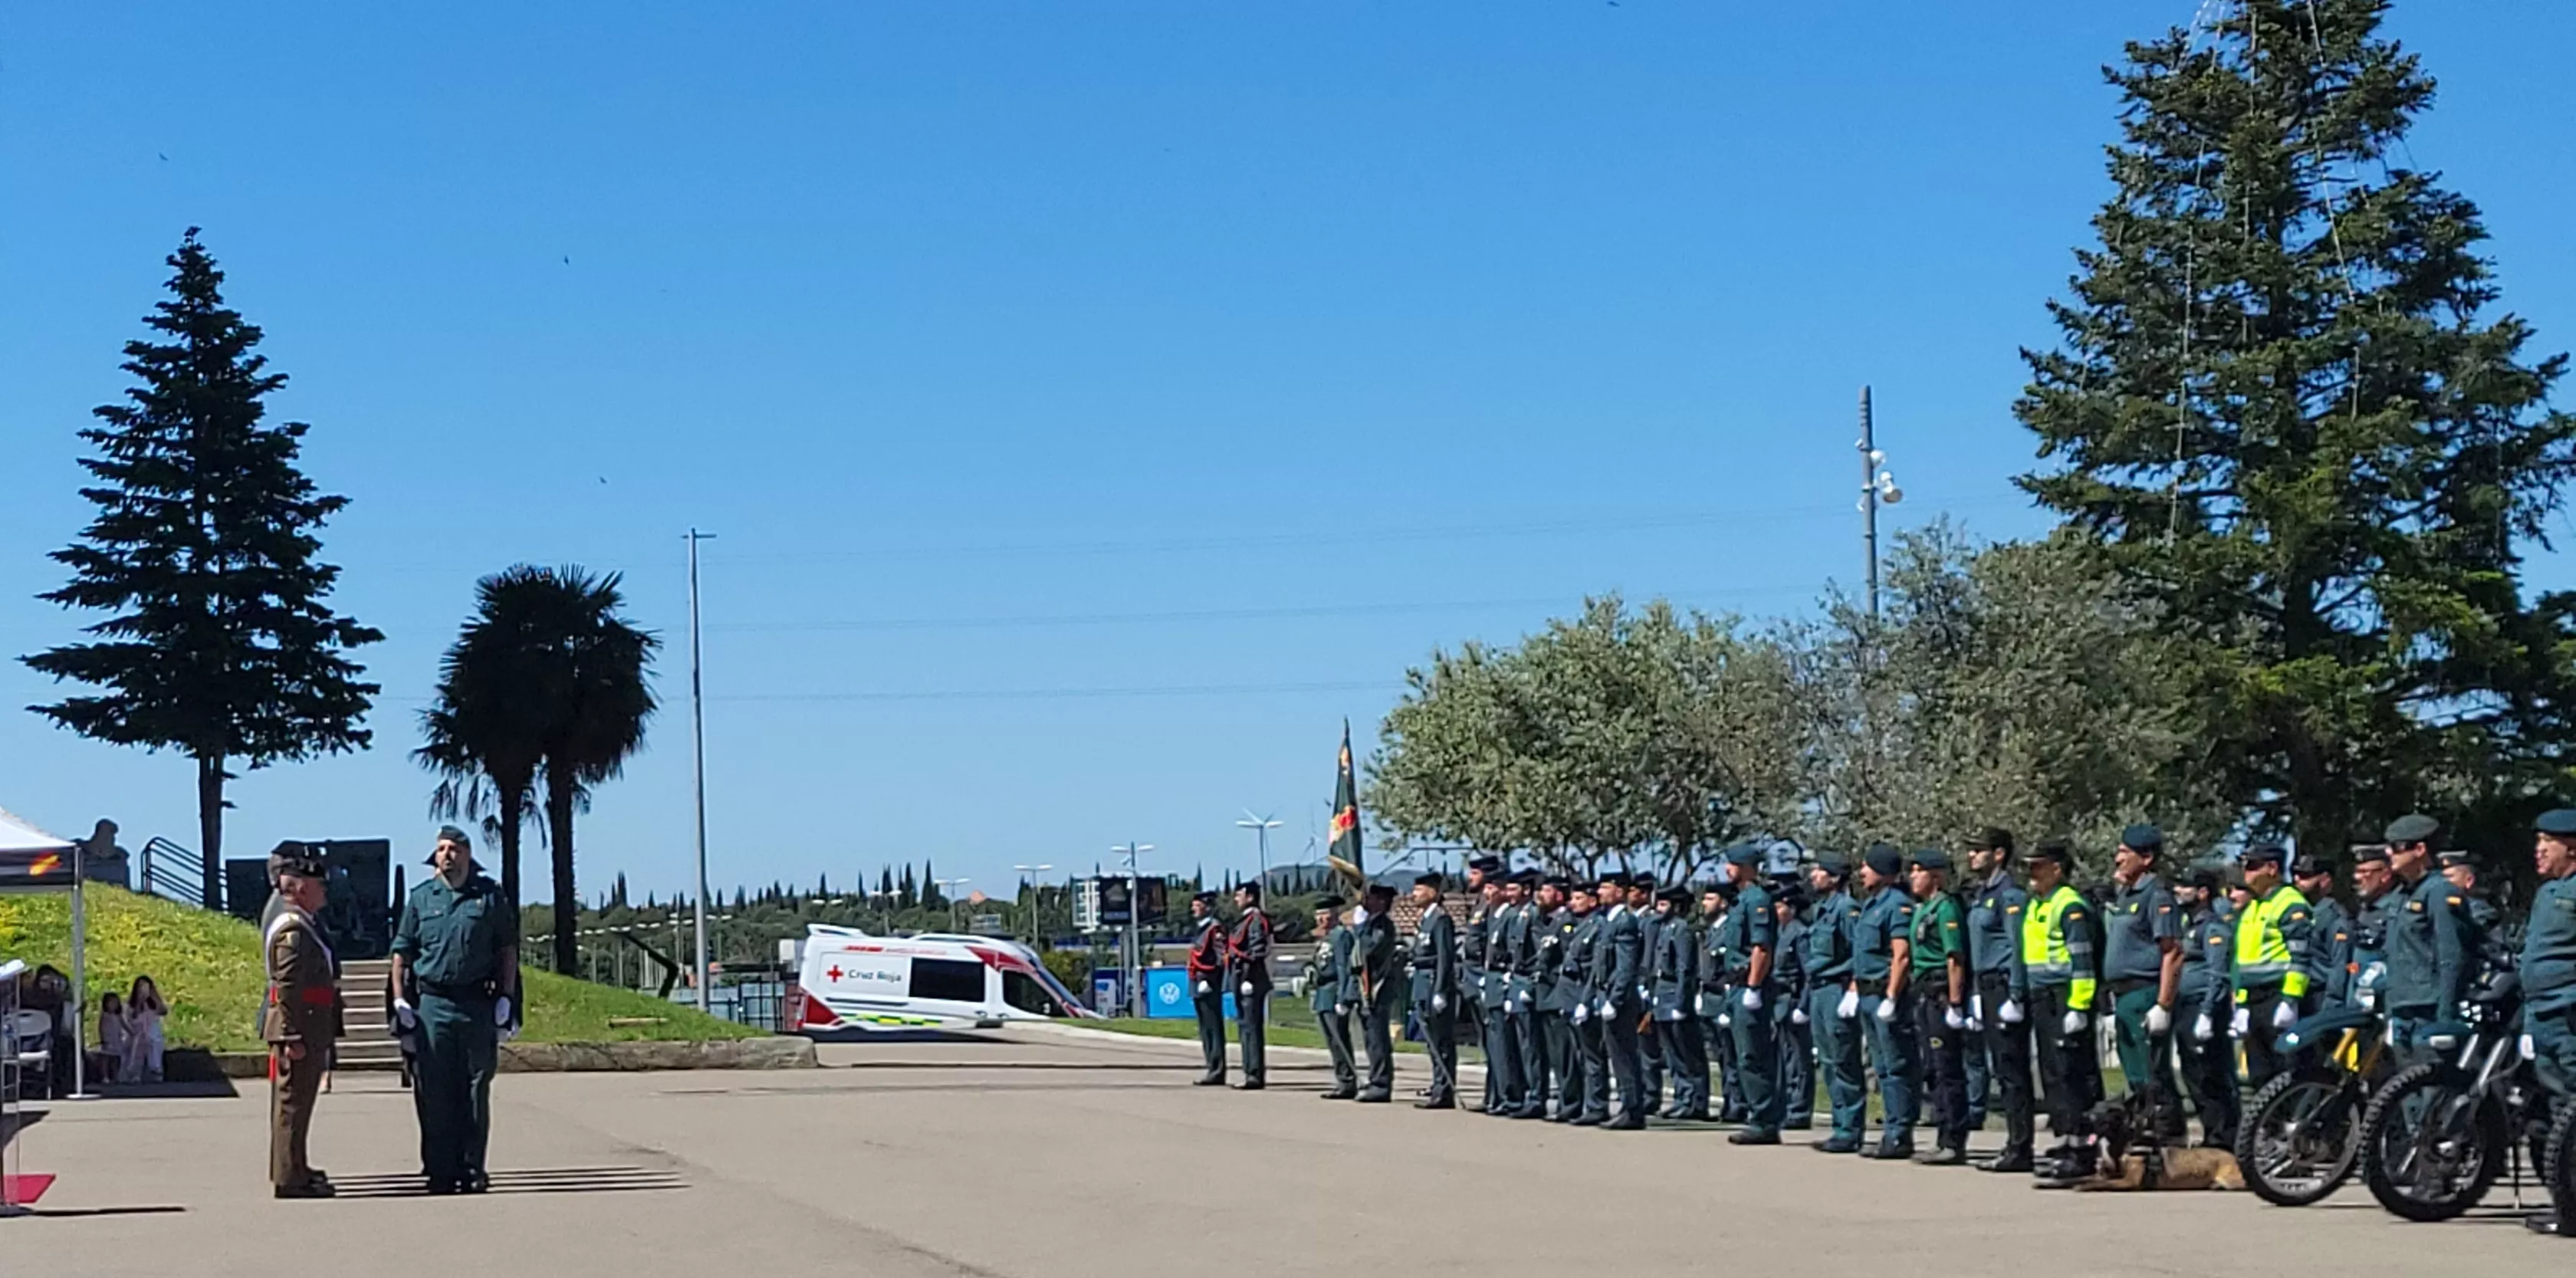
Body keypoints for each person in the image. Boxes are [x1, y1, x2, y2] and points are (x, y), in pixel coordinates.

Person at [389, 826, 519, 1195]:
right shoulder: (420, 899)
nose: (447, 855)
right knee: (434, 1089)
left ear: (467, 854)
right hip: (433, 1005)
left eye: (454, 849)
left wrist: (506, 999)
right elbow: (402, 952)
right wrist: (400, 1000)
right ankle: (439, 1168)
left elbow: (507, 950)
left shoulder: (489, 898)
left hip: (477, 1004)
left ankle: (473, 1166)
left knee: (476, 1088)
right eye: (442, 849)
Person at [2021, 839, 2101, 1181]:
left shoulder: (2069, 906)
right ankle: (2065, 1141)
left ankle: (2083, 1147)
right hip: (2043, 995)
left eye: (2038, 867)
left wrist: (2079, 1006)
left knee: (2072, 1074)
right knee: (2053, 1075)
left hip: (2064, 995)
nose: (2031, 873)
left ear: (2057, 869)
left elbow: (2082, 960)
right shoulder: (2039, 904)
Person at [263, 846, 340, 1198]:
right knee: (292, 1104)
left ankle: (297, 1166)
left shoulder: (305, 924)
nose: (324, 891)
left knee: (300, 1102)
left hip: (309, 1025)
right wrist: (292, 1033)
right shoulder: (292, 930)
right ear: (300, 887)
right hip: (298, 1028)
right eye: (318, 885)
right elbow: (289, 987)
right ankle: (289, 1177)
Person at [2103, 823, 2185, 1141]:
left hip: (2145, 991)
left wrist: (2163, 1004)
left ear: (2147, 857)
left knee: (2152, 1071)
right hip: (2124, 995)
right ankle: (2144, 1129)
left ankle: (2168, 1136)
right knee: (2135, 1072)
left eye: (2126, 853)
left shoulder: (2157, 896)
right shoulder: (2127, 895)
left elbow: (2173, 952)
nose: (2118, 858)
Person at [2518, 810, 2576, 1236]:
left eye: (2548, 843)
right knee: (2557, 1111)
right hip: (2540, 1014)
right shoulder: (2547, 893)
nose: (2539, 850)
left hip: (2570, 1012)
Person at [1963, 828, 2034, 1172]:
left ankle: (2020, 1146)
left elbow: (2018, 946)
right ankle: (2013, 1142)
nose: (1972, 856)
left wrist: (2017, 994)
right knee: (2000, 1069)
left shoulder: (2010, 895)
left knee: (2012, 1069)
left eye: (1979, 850)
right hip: (1988, 987)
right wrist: (1976, 992)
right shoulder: (1982, 895)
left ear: (1999, 854)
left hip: (2006, 986)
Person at [2380, 813, 2474, 1062]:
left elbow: (2451, 954)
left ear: (2420, 849)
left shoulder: (2439, 892)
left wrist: (2446, 1014)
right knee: (2402, 1093)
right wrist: (2390, 1012)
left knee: (2431, 1093)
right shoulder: (2401, 896)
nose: (2390, 853)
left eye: (2397, 847)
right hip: (2402, 1007)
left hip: (2429, 1009)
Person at [1850, 844, 1918, 1160]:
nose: (1862, 872)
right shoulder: (1870, 905)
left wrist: (1892, 995)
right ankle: (1891, 1129)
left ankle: (1899, 1133)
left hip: (1884, 995)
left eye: (1867, 866)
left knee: (1895, 1065)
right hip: (1867, 993)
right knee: (1881, 1067)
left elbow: (1901, 955)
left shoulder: (1897, 905)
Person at [2229, 843, 2312, 1089]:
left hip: (2278, 997)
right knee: (2259, 1076)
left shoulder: (2289, 903)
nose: (2247, 874)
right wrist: (2242, 1003)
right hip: (2254, 1000)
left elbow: (2301, 956)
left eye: (2253, 867)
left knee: (2286, 1074)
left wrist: (2291, 999)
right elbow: (2244, 962)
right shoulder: (2252, 908)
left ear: (2273, 868)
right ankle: (2265, 1127)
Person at [1907, 849, 1971, 1164]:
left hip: (1941, 993)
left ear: (1937, 876)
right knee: (1933, 1068)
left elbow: (1954, 957)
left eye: (1920, 871)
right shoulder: (1922, 909)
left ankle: (1953, 1138)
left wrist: (1956, 1003)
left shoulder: (1946, 909)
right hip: (1923, 993)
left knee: (1948, 1068)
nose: (1913, 877)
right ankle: (1942, 1131)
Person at [1802, 853, 1868, 1153]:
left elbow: (1858, 954)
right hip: (1819, 989)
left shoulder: (1847, 910)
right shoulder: (1821, 910)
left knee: (1844, 1059)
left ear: (1836, 878)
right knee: (1828, 1062)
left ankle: (1850, 1128)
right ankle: (1840, 1125)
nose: (1814, 876)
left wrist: (1853, 991)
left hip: (1837, 990)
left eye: (1821, 871)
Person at [1720, 846, 1783, 1145]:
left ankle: (1764, 1120)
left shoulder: (1757, 900)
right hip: (1737, 985)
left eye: (1732, 864)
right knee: (1743, 1056)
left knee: (1753, 1055)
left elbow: (1762, 948)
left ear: (1747, 867)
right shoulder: (1741, 901)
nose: (1727, 869)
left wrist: (1754, 987)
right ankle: (1757, 1115)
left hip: (1749, 986)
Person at [2175, 861, 2238, 1150]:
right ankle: (2212, 1131)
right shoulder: (2189, 924)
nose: (2179, 891)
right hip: (2186, 1006)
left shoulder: (2213, 927)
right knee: (2194, 1075)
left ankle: (2224, 1137)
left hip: (2204, 1008)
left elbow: (2218, 974)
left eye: (2186, 886)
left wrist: (2207, 1014)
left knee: (2212, 1074)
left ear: (2202, 892)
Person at [1649, 885, 1708, 1121]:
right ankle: (1682, 1097)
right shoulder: (1665, 929)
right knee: (1673, 1054)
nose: (1658, 909)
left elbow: (1685, 968)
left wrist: (1682, 1002)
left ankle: (1696, 1101)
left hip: (1675, 993)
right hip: (1663, 993)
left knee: (1688, 1052)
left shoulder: (1682, 929)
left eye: (1664, 905)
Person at [1598, 870, 1649, 1129]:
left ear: (1619, 892)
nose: (1600, 893)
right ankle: (1628, 1105)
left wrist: (1615, 1000)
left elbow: (1626, 967)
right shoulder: (1609, 921)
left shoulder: (1625, 922)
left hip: (1621, 1001)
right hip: (1607, 995)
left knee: (1624, 1055)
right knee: (1617, 1055)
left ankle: (1633, 1109)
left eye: (1605, 887)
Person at [1409, 872, 1460, 1109]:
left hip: (1433, 983)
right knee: (1431, 1041)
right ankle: (1438, 1085)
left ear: (1432, 892)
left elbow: (1444, 957)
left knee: (1441, 1041)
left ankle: (1444, 1090)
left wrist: (1440, 989)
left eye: (1419, 890)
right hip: (1422, 983)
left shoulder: (1441, 920)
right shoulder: (1426, 919)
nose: (1414, 895)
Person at [1496, 869, 1542, 1118]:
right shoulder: (1515, 915)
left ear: (1526, 890)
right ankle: (1523, 1094)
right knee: (1519, 1044)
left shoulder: (1532, 914)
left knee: (1530, 1046)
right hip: (1514, 982)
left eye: (1514, 890)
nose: (1508, 895)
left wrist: (1529, 985)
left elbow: (1537, 954)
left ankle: (1536, 1096)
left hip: (1526, 984)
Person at [1562, 881, 1608, 1125]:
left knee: (1592, 1056)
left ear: (1592, 901)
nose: (1573, 903)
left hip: (1585, 994)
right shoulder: (1580, 926)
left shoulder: (1598, 926)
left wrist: (1586, 1000)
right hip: (1572, 994)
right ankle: (1582, 1103)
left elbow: (1593, 968)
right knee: (1580, 1054)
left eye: (1579, 898)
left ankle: (1597, 1105)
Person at [1531, 876, 1578, 1119]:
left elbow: (1568, 956)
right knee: (1552, 1052)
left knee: (1563, 1053)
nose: (1541, 895)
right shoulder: (1548, 921)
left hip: (1558, 993)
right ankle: (1562, 1100)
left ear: (1560, 895)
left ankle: (1569, 1102)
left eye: (1547, 891)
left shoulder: (1567, 922)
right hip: (1545, 993)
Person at [1351, 882, 1401, 1104]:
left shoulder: (1383, 926)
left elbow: (1369, 950)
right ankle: (1375, 1079)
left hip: (1378, 988)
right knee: (1370, 1039)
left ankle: (1381, 1084)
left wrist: (1361, 928)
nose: (1365, 902)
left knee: (1378, 1039)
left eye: (1370, 898)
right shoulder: (1373, 923)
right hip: (1368, 987)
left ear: (1381, 901)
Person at [1771, 884, 1813, 1132]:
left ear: (1792, 908)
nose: (1776, 911)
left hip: (1794, 1001)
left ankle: (1799, 1109)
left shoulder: (1800, 934)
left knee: (1797, 1059)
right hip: (1778, 1002)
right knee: (1783, 1058)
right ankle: (1785, 1104)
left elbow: (1808, 974)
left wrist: (1804, 1006)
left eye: (1780, 906)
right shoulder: (1779, 933)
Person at [1461, 857, 1500, 1112]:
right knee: (1487, 1042)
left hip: (1485, 978)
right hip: (1473, 978)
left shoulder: (1493, 906)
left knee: (1496, 1041)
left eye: (1475, 873)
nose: (1470, 878)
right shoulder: (1479, 903)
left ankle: (1498, 1095)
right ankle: (1491, 1094)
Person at [1227, 881, 1274, 1090]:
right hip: (1241, 978)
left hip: (1251, 980)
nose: (1236, 899)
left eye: (1240, 895)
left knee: (1251, 1028)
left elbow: (1257, 951)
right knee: (1245, 1027)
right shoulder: (1246, 920)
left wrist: (1248, 979)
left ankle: (1254, 1074)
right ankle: (1249, 1071)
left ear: (1250, 897)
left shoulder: (1255, 921)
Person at [1625, 874, 1664, 1116]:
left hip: (1644, 985)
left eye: (1635, 891)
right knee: (1635, 1046)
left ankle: (1651, 1094)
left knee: (1648, 1046)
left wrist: (1645, 985)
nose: (1630, 895)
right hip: (1632, 987)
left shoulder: (1651, 921)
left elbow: (1648, 957)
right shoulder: (1634, 919)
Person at [1310, 895, 1357, 1099]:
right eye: (1318, 914)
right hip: (1323, 993)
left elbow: (1343, 967)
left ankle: (1347, 1081)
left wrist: (1343, 997)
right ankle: (1341, 1078)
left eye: (1325, 914)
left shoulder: (1341, 936)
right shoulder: (1326, 938)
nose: (1321, 919)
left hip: (1334, 991)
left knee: (1339, 1039)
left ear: (1335, 914)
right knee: (1331, 1040)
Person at [1183, 890, 1228, 1086]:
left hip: (1208, 982)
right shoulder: (1201, 928)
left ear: (1207, 907)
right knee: (1205, 1028)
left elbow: (1221, 957)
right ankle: (1211, 1065)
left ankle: (1217, 1069)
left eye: (1198, 904)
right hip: (1198, 981)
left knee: (1213, 1027)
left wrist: (1211, 979)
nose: (1194, 908)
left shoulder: (1214, 928)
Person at [124, 975, 166, 1085]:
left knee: (154, 1048)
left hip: (152, 1031)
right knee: (136, 1052)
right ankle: (135, 1075)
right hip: (138, 1033)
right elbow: (133, 1017)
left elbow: (163, 1011)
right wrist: (140, 1001)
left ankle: (156, 1072)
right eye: (140, 986)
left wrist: (154, 997)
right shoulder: (131, 1004)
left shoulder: (153, 1002)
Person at [94, 991, 128, 1086]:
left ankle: (116, 1076)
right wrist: (102, 1038)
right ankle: (105, 1076)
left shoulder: (118, 1016)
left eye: (116, 1003)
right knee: (106, 1058)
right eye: (111, 1003)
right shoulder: (105, 1015)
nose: (113, 1005)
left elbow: (124, 1024)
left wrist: (131, 1032)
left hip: (117, 1039)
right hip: (108, 1039)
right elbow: (100, 1027)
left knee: (116, 1059)